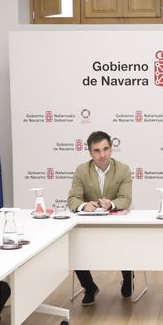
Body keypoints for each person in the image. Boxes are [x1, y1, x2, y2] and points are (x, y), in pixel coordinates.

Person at [67, 130, 134, 305]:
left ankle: (128, 279)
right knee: (74, 245)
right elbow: (73, 199)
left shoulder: (123, 169)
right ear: (90, 153)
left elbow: (126, 199)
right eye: (97, 151)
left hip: (117, 223)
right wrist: (84, 206)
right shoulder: (81, 170)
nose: (102, 155)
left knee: (124, 242)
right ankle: (89, 287)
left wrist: (111, 204)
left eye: (105, 149)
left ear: (112, 149)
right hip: (90, 224)